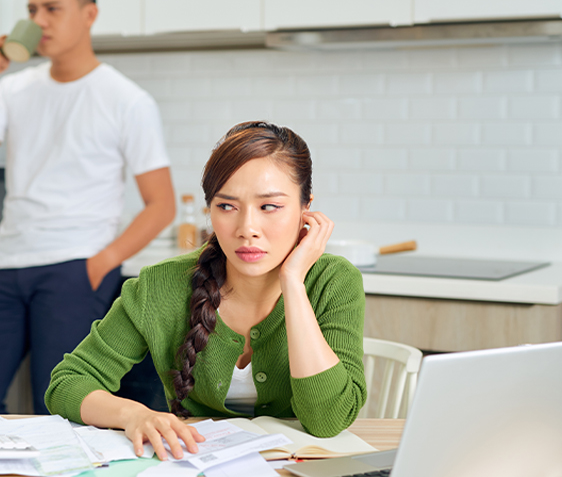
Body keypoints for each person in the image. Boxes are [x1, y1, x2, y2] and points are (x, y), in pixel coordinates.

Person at [0, 0, 176, 415]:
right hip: (4, 265)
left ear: (89, 15)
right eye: (32, 9)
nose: (38, 21)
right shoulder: (13, 89)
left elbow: (160, 205)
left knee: (62, 410)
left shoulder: (127, 100)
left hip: (74, 269)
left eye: (52, 8)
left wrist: (100, 264)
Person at [46, 121, 367, 460]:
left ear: (306, 209)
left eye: (269, 207)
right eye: (227, 206)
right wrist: (134, 415)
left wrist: (293, 282)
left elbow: (327, 421)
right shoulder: (160, 285)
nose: (247, 229)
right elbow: (68, 383)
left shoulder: (334, 281)